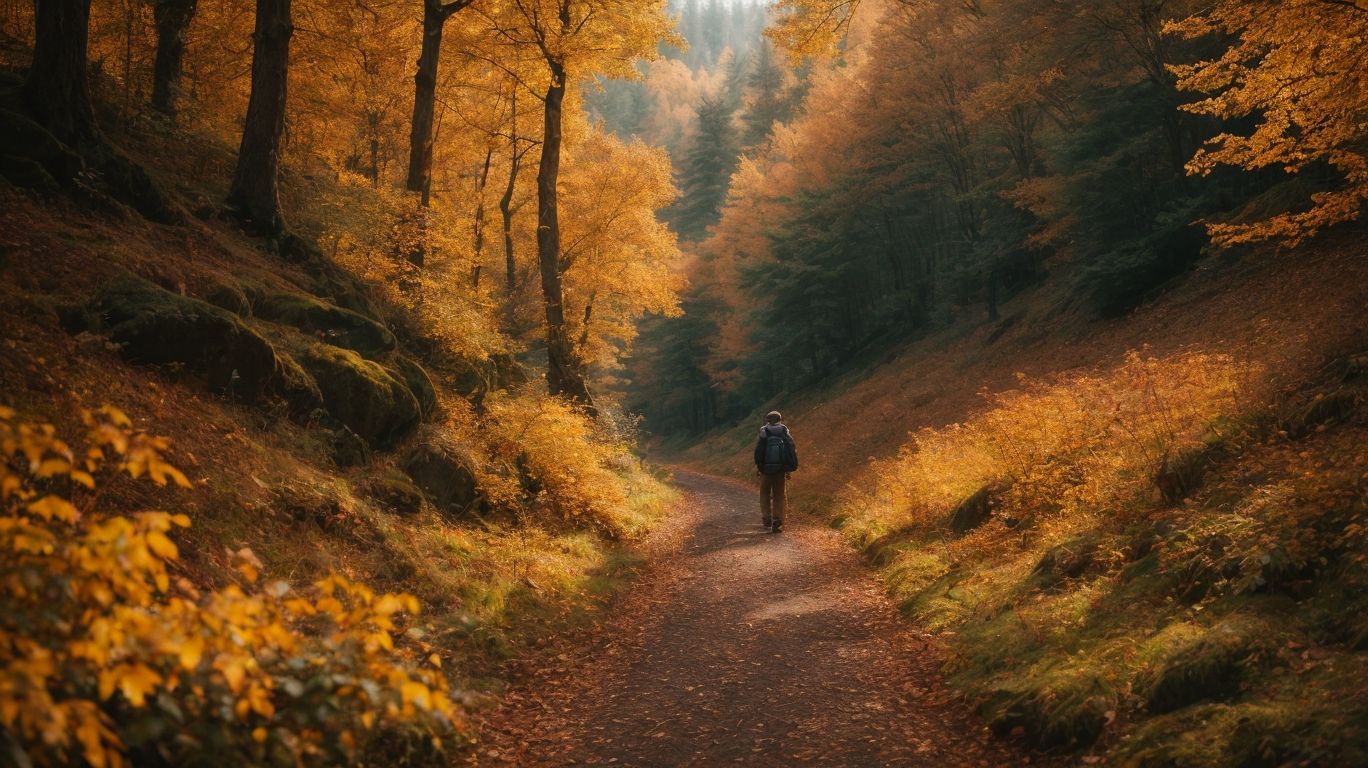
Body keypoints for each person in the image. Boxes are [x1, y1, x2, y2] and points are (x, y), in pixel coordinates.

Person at [754, 410, 797, 533]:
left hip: (766, 470)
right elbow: (791, 450)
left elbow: (758, 452)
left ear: (767, 420)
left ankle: (767, 517)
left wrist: (759, 467)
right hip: (780, 470)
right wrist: (788, 468)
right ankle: (777, 520)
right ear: (780, 419)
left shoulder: (763, 432)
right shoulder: (784, 431)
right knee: (779, 495)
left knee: (764, 494)